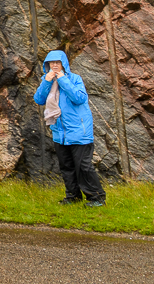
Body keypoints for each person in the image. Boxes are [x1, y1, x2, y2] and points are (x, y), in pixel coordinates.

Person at [33, 49, 105, 207]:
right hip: (60, 133)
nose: (55, 65)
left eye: (57, 63)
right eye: (51, 63)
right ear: (47, 65)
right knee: (66, 167)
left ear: (63, 64)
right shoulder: (47, 80)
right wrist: (46, 81)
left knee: (83, 167)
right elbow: (39, 99)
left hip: (79, 132)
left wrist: (63, 80)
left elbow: (79, 98)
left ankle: (97, 198)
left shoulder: (75, 79)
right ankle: (73, 197)